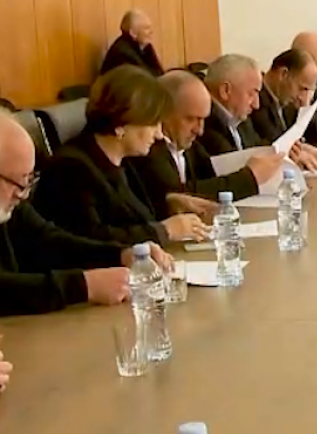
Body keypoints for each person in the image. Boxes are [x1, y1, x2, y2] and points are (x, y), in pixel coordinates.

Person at [0, 110, 170, 316]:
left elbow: (48, 242)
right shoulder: (72, 166)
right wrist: (84, 286)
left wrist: (120, 255)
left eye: (29, 181)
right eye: (19, 183)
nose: (24, 195)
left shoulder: (12, 204)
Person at [32, 67, 211, 246]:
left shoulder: (126, 160)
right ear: (121, 125)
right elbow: (89, 240)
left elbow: (130, 217)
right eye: (152, 124)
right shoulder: (70, 170)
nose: (158, 134)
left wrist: (167, 204)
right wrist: (164, 230)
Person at [129, 70, 282, 212]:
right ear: (164, 113)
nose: (200, 130)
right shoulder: (147, 149)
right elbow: (178, 194)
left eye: (203, 119)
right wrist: (249, 177)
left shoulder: (190, 144)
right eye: (191, 119)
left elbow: (212, 178)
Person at [251, 49, 317, 171]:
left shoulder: (285, 99)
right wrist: (297, 154)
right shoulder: (257, 101)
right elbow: (274, 145)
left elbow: (302, 140)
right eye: (302, 89)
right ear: (284, 74)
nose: (302, 97)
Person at [100, 9, 165, 76]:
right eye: (146, 28)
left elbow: (160, 73)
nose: (151, 32)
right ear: (133, 33)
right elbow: (145, 77)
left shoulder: (145, 47)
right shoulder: (122, 53)